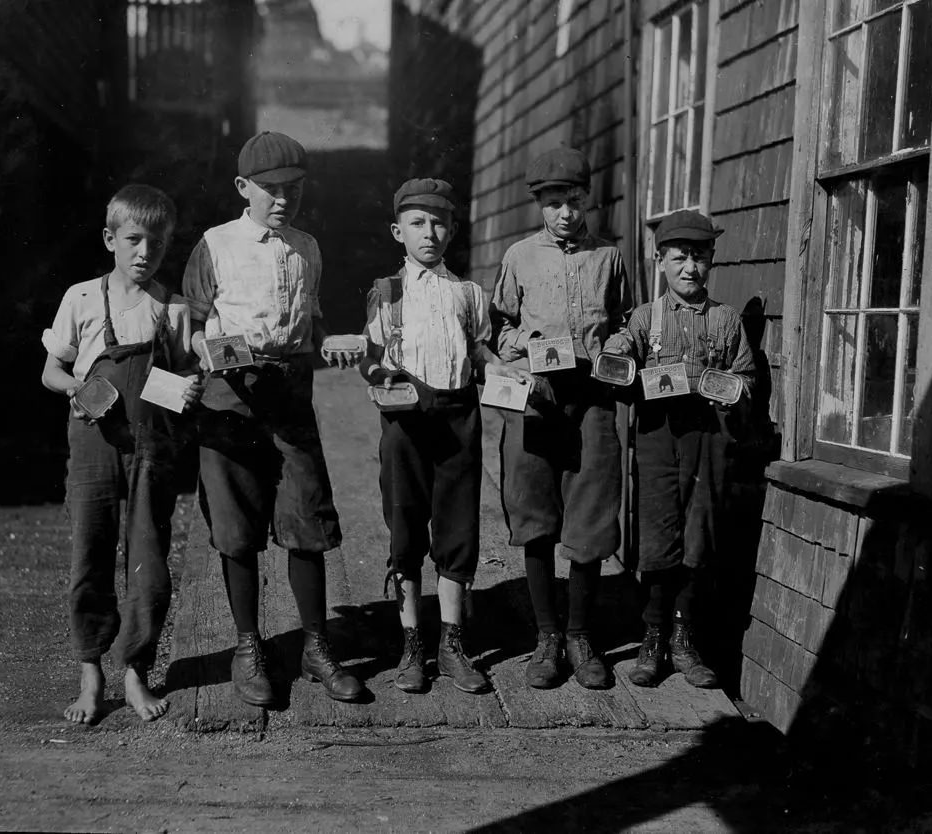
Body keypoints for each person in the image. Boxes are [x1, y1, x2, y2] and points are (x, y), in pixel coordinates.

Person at [182, 131, 366, 707]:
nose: (283, 199)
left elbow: (309, 321)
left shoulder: (307, 247)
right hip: (228, 399)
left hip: (289, 394)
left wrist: (328, 340)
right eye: (270, 190)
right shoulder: (216, 244)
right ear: (243, 189)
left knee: (306, 520)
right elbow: (189, 320)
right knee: (237, 529)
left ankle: (315, 647)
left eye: (293, 188)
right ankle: (247, 647)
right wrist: (206, 349)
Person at [359, 178, 532, 695]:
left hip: (459, 416)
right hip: (405, 418)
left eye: (438, 223)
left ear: (452, 229)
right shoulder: (387, 292)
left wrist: (504, 370)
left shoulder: (469, 293)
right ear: (398, 231)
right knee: (406, 525)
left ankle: (453, 644)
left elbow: (478, 351)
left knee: (457, 528)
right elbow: (371, 357)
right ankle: (412, 644)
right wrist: (377, 376)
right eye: (417, 223)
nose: (428, 233)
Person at [41, 184, 203, 724]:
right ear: (110, 239)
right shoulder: (81, 298)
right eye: (133, 240)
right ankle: (91, 674)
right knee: (90, 553)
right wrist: (77, 389)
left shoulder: (173, 308)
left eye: (156, 243)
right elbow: (51, 370)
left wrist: (191, 385)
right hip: (93, 443)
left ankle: (136, 670)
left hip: (151, 447)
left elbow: (183, 372)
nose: (144, 252)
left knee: (149, 563)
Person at [490, 147, 633, 690]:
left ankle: (580, 634)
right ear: (539, 206)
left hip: (592, 398)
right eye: (553, 203)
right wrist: (523, 345)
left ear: (586, 200)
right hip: (537, 396)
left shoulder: (609, 258)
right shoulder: (520, 257)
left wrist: (616, 346)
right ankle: (546, 636)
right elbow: (498, 327)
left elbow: (623, 322)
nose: (565, 213)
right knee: (533, 513)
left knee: (591, 514)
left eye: (573, 201)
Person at [603, 208, 756, 689]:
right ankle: (652, 638)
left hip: (707, 440)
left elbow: (748, 378)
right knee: (658, 533)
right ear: (660, 261)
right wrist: (618, 358)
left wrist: (728, 386)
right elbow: (619, 353)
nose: (690, 267)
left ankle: (685, 640)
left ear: (712, 260)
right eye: (679, 257)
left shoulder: (727, 320)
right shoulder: (646, 319)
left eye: (700, 256)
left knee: (698, 533)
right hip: (656, 439)